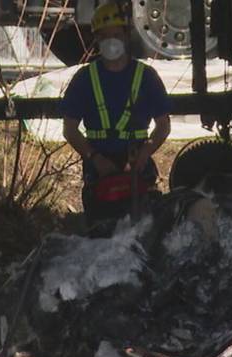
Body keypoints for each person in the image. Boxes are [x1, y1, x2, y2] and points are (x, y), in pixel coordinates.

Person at [61, 3, 172, 237]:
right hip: (100, 168)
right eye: (105, 35)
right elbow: (70, 130)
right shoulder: (85, 79)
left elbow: (163, 125)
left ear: (126, 35)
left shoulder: (146, 77)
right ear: (97, 39)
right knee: (103, 235)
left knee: (144, 235)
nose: (112, 40)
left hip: (137, 165)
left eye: (116, 34)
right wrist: (95, 159)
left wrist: (145, 153)